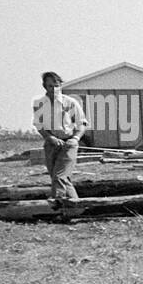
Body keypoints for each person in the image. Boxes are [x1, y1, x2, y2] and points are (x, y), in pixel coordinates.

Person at [32, 71, 87, 209]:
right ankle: (77, 208)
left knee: (59, 177)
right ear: (45, 86)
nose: (54, 89)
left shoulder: (70, 103)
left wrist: (75, 138)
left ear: (61, 85)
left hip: (68, 144)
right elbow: (39, 125)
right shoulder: (39, 103)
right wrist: (49, 137)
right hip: (51, 144)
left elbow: (82, 124)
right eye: (50, 86)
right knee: (60, 179)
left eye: (56, 85)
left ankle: (56, 205)